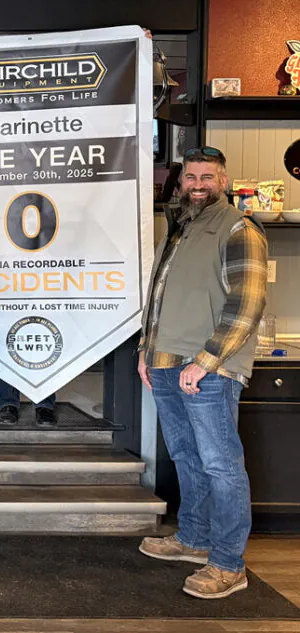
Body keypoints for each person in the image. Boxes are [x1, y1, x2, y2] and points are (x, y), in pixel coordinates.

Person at [137, 146, 268, 600]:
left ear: (224, 181)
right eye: (191, 176)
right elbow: (158, 298)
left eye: (207, 177)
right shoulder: (180, 230)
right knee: (188, 458)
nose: (197, 185)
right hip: (166, 363)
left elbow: (247, 303)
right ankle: (193, 539)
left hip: (208, 369)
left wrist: (206, 361)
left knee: (221, 466)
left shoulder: (238, 228)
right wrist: (144, 350)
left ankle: (229, 563)